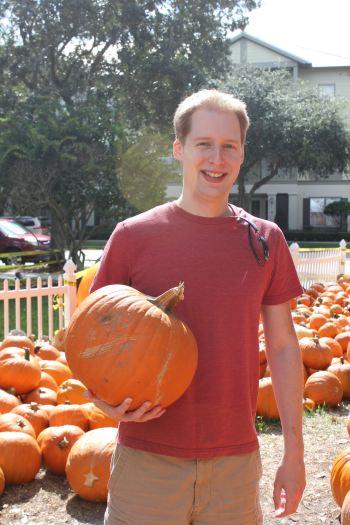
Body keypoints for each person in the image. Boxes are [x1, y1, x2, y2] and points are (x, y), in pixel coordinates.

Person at [88, 89, 306, 524]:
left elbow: (283, 348)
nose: (217, 158)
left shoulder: (265, 240)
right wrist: (100, 400)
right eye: (203, 144)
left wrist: (294, 455)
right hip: (147, 461)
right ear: (179, 149)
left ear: (243, 153)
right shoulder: (132, 236)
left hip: (235, 463)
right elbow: (90, 338)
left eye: (229, 146)